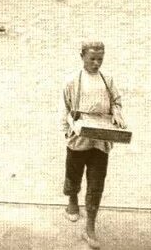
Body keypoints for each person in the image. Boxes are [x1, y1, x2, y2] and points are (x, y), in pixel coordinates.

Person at [62, 41, 125, 249]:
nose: (96, 63)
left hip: (101, 142)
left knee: (97, 181)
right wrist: (72, 126)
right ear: (82, 56)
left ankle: (90, 225)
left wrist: (116, 114)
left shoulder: (108, 80)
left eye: (100, 59)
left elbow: (116, 101)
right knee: (73, 174)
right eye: (92, 59)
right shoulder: (72, 81)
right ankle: (72, 199)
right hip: (78, 140)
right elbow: (65, 109)